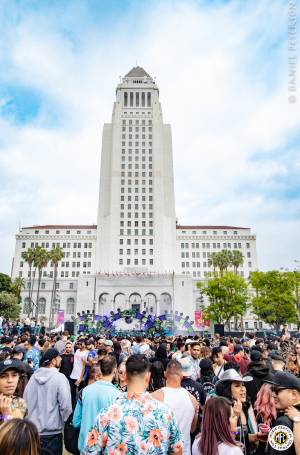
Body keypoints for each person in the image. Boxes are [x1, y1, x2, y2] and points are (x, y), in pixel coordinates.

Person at [83, 354, 183, 454]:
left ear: (125, 375)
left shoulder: (107, 414)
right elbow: (177, 450)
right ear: (148, 376)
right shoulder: (166, 413)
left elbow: (90, 450)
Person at [24, 348, 72, 455]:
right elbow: (66, 407)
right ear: (53, 360)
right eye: (59, 357)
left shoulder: (33, 378)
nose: (61, 359)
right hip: (52, 435)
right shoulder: (60, 378)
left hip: (33, 432)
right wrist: (66, 424)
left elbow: (25, 403)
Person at [73, 355, 120, 454]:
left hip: (85, 446)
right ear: (115, 370)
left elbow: (76, 421)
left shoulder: (85, 391)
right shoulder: (117, 395)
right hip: (105, 448)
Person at [152, 359, 198, 455]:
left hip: (163, 450)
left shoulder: (155, 396)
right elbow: (192, 429)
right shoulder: (192, 399)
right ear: (182, 375)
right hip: (185, 450)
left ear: (165, 374)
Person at [215, 369, 258, 454]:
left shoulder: (244, 407)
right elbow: (229, 437)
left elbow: (241, 435)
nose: (243, 389)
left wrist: (257, 437)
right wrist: (236, 416)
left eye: (243, 385)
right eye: (237, 386)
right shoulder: (223, 410)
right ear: (228, 390)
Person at [266, 371, 300, 455]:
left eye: (277, 391)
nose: (273, 395)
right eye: (272, 390)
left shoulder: (283, 422)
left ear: (294, 395)